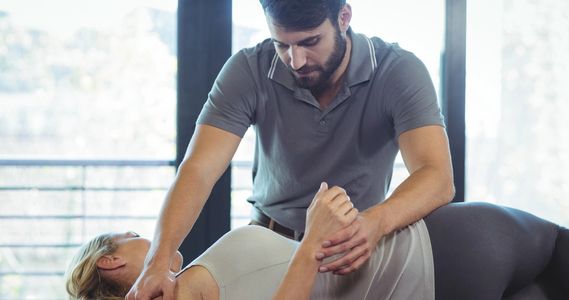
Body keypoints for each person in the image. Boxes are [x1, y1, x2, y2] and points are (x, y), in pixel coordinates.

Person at [129, 1, 455, 298]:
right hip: (267, 242)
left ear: (343, 17)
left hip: (352, 251)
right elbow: (198, 169)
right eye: (282, 44)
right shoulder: (247, 69)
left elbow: (437, 177)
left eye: (309, 42)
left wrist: (376, 222)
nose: (295, 60)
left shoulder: (397, 70)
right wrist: (157, 262)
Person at [66, 185, 568, 300]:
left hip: (450, 261)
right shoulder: (190, 289)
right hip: (445, 255)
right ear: (110, 262)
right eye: (132, 239)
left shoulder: (194, 280)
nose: (149, 240)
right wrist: (312, 242)